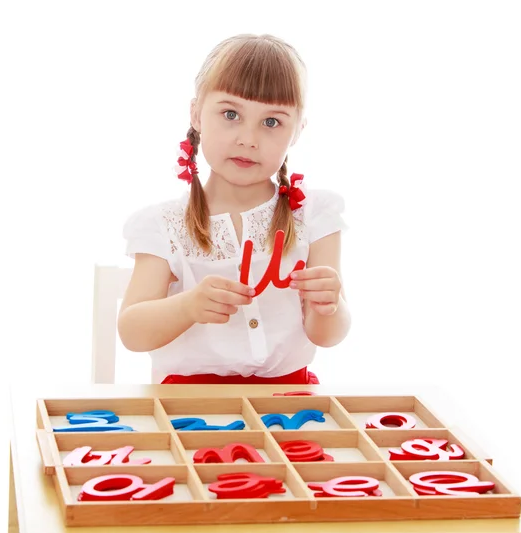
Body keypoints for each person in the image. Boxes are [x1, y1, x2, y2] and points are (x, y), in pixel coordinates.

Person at [118, 33, 350, 384]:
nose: (249, 139)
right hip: (187, 407)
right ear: (196, 114)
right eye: (231, 114)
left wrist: (329, 306)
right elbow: (132, 332)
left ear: (297, 131)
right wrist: (187, 306)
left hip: (289, 404)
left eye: (271, 122)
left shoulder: (315, 214)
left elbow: (327, 335)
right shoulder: (162, 225)